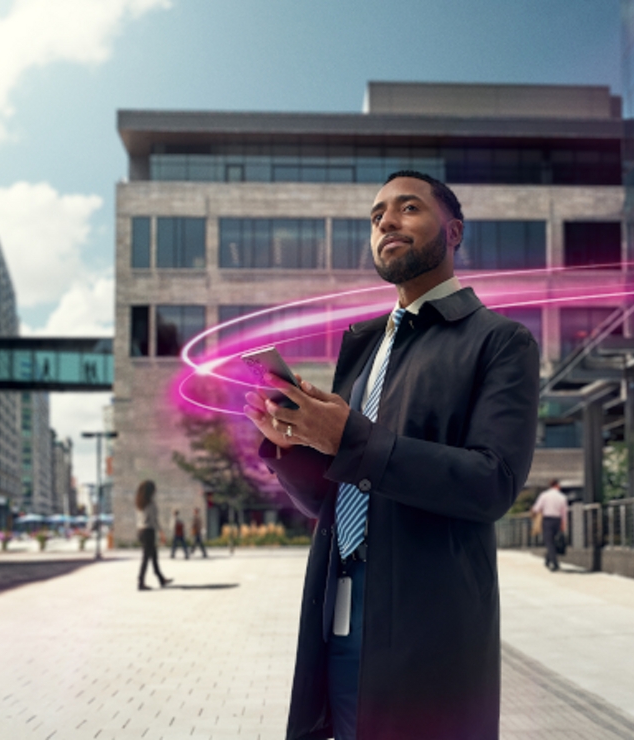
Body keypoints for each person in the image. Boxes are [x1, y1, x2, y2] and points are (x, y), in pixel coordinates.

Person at [244, 170, 539, 740]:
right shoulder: (364, 347)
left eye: (407, 209)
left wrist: (348, 438)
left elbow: (493, 483)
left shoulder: (500, 342)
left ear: (453, 232)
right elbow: (332, 502)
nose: (386, 223)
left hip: (426, 632)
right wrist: (295, 448)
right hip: (337, 615)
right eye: (377, 216)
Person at [134, 481, 171, 591]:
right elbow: (154, 520)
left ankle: (161, 578)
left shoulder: (139, 503)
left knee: (153, 556)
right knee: (146, 558)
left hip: (141, 531)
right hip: (148, 532)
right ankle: (141, 582)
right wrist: (161, 533)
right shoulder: (150, 504)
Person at [530, 480, 569, 571]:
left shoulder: (544, 495)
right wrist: (563, 523)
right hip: (558, 519)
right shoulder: (562, 497)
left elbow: (537, 508)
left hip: (547, 520)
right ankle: (548, 560)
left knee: (549, 541)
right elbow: (564, 512)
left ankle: (554, 563)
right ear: (557, 485)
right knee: (555, 541)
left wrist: (533, 513)